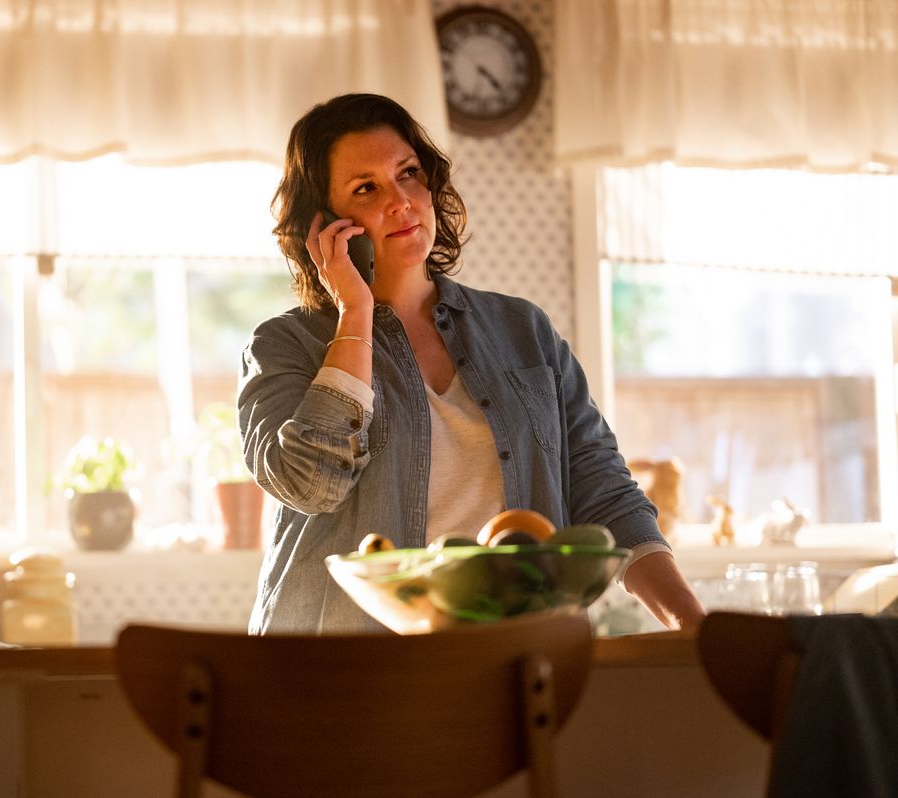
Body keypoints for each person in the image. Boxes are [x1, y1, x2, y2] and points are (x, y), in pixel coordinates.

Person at [237, 93, 705, 634]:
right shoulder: (282, 346)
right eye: (366, 188)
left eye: (408, 173)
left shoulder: (523, 331)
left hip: (513, 655)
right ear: (324, 224)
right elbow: (309, 484)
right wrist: (355, 313)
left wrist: (695, 629)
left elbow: (604, 492)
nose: (401, 200)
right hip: (342, 672)